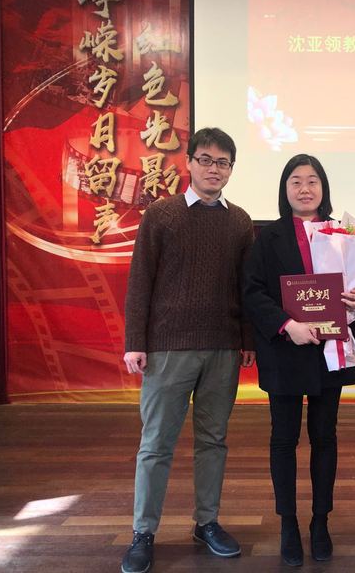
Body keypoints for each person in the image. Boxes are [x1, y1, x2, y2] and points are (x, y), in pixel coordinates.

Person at [121, 128, 256, 573]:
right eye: (206, 160)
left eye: (223, 162)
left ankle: (207, 522)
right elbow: (140, 280)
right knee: (156, 443)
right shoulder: (161, 214)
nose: (214, 169)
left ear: (231, 169)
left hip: (222, 347)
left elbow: (246, 287)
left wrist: (248, 340)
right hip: (167, 348)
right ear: (190, 163)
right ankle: (143, 532)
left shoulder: (240, 222)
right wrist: (135, 342)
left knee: (213, 441)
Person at [242, 154, 355, 567]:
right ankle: (288, 523)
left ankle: (320, 521)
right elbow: (252, 292)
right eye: (296, 181)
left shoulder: (345, 234)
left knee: (324, 437)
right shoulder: (267, 237)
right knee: (283, 439)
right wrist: (287, 325)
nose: (305, 188)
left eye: (312, 180)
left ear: (324, 187)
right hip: (285, 351)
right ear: (284, 189)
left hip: (329, 353)